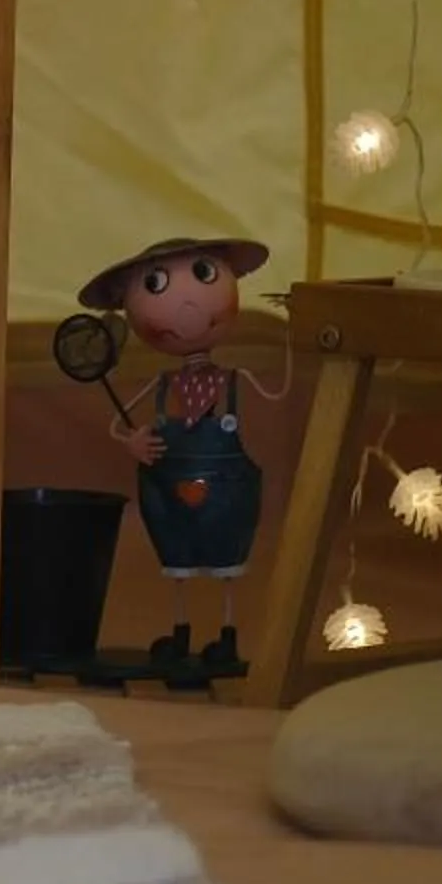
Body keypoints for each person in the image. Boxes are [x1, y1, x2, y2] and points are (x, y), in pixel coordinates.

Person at [77, 236, 290, 676]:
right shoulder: (160, 387)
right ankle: (181, 631)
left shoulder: (236, 381)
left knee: (227, 569)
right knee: (178, 571)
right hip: (170, 500)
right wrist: (134, 442)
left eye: (204, 274)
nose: (188, 305)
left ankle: (227, 634)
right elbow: (121, 426)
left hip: (227, 502)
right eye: (155, 284)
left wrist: (293, 338)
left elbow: (280, 392)